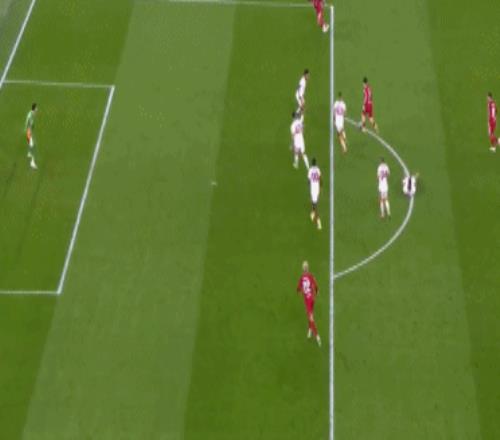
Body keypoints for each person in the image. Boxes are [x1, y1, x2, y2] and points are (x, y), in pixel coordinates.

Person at [296, 261, 321, 346]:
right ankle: (310, 330)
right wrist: (317, 291)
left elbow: (298, 289)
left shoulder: (301, 278)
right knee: (311, 316)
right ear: (308, 268)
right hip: (312, 300)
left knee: (311, 319)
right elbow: (316, 285)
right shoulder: (311, 276)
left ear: (303, 269)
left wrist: (299, 291)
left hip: (307, 302)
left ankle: (317, 336)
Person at [308, 158, 322, 230]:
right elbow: (320, 178)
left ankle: (318, 222)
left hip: (313, 188)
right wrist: (320, 187)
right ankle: (313, 213)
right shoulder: (318, 169)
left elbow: (309, 180)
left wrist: (309, 186)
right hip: (317, 188)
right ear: (315, 163)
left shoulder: (310, 170)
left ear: (311, 163)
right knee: (314, 203)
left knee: (314, 205)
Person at [25, 103, 38, 169]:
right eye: (36, 108)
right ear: (34, 108)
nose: (37, 109)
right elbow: (29, 123)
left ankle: (29, 153)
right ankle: (32, 163)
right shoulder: (31, 115)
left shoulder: (30, 113)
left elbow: (27, 121)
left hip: (28, 131)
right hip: (29, 132)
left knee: (30, 144)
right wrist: (29, 129)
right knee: (33, 146)